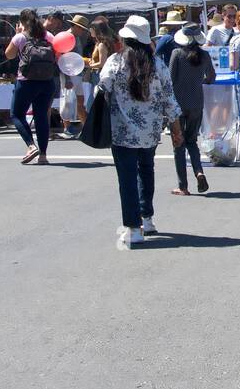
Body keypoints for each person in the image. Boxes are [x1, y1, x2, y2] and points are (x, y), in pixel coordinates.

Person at [97, 15, 183, 248]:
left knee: (126, 177)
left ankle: (133, 228)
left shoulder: (116, 61)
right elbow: (169, 98)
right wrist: (176, 130)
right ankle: (147, 217)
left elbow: (103, 86)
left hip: (122, 130)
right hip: (151, 130)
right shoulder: (158, 64)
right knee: (146, 170)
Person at [4, 8, 57, 165]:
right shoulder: (49, 36)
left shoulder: (20, 37)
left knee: (16, 114)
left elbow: (9, 55)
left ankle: (30, 145)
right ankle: (43, 155)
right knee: (41, 116)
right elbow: (57, 54)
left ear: (22, 22)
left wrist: (17, 33)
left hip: (26, 81)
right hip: (47, 81)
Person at [169, 23, 216, 195]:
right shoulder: (205, 56)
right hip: (197, 103)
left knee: (178, 144)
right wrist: (199, 82)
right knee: (192, 141)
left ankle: (183, 186)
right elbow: (211, 77)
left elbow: (170, 80)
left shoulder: (177, 54)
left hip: (178, 105)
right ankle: (199, 171)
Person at [61, 14, 92, 137]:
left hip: (76, 72)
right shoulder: (68, 37)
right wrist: (68, 78)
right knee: (70, 101)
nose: (83, 31)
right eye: (82, 28)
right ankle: (68, 127)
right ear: (76, 26)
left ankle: (81, 128)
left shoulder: (75, 37)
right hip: (70, 74)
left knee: (77, 101)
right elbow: (64, 59)